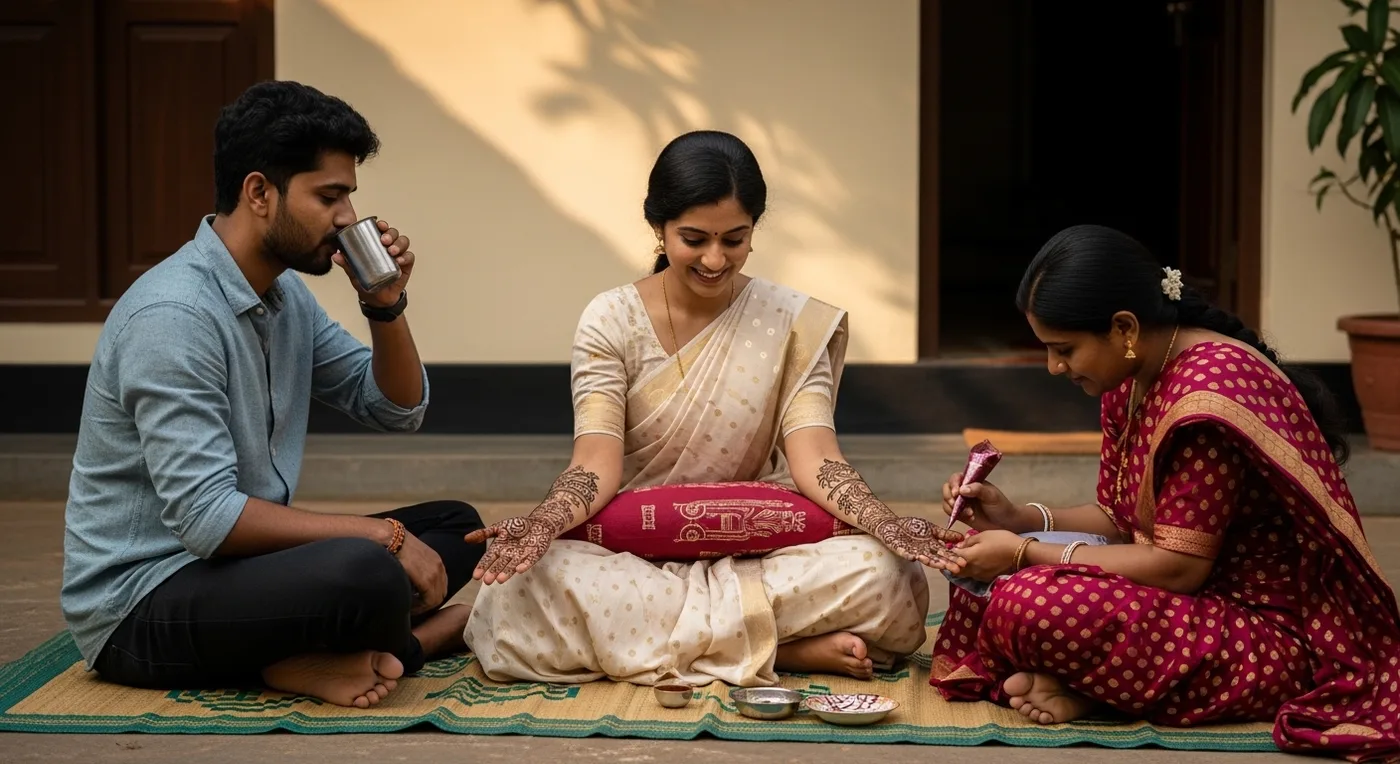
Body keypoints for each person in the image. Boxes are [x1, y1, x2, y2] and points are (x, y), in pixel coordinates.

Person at [461, 130, 962, 687]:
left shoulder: (791, 321)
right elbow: (594, 463)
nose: (715, 259)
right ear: (658, 227)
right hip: (637, 557)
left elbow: (816, 457)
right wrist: (542, 523)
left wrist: (885, 524)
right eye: (694, 239)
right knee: (515, 591)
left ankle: (697, 643)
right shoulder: (611, 319)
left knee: (883, 572)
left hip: (764, 550)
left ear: (755, 230)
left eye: (735, 239)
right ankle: (783, 650)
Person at [60, 81, 484, 709]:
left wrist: (385, 304)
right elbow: (207, 518)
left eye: (349, 198)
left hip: (234, 573)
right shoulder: (174, 316)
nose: (347, 219)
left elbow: (395, 409)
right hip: (141, 608)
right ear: (260, 192)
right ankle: (413, 641)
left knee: (458, 526)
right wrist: (383, 539)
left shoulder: (285, 300)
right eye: (329, 196)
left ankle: (318, 652)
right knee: (369, 568)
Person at [928, 224, 1400, 761]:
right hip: (1184, 603)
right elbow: (1118, 515)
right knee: (977, 579)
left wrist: (1022, 552)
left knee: (1025, 600)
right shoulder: (1132, 376)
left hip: (1271, 635)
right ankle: (1093, 687)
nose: (1054, 367)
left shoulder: (1207, 399)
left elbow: (1179, 567)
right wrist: (1016, 518)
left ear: (1124, 327)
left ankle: (1097, 687)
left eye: (1064, 349)